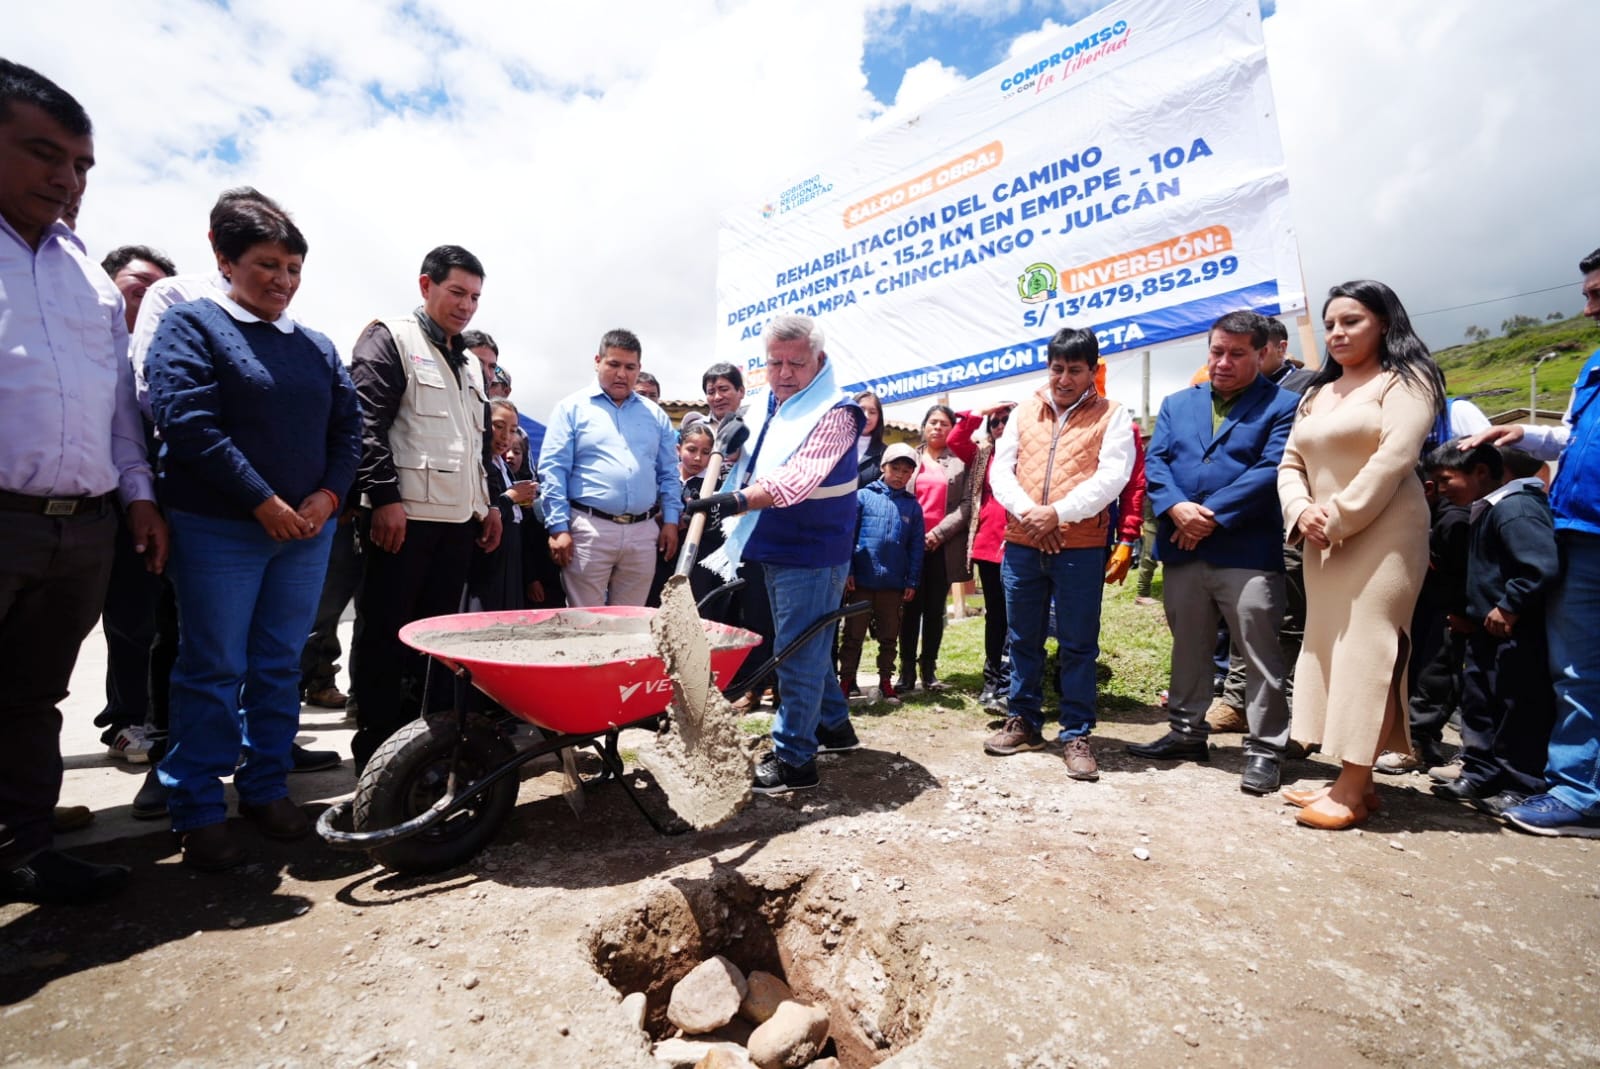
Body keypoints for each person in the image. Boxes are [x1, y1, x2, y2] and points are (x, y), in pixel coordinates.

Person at [145, 195, 360, 870]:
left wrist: (328, 496)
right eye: (268, 264)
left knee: (278, 663)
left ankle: (266, 786)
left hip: (306, 534)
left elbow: (348, 431)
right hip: (219, 529)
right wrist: (260, 499)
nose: (283, 279)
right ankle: (197, 806)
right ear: (225, 258)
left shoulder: (317, 346)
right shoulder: (190, 324)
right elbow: (186, 420)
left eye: (293, 268)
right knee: (213, 665)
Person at [0, 60, 166, 904]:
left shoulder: (87, 278)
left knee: (32, 697)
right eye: (43, 154)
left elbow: (116, 404)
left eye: (81, 164)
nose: (67, 179)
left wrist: (136, 494)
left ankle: (23, 850)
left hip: (82, 523)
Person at [1277, 280, 1444, 830]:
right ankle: (1357, 782)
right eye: (1330, 324)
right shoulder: (1316, 392)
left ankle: (1350, 787)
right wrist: (1301, 512)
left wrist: (1338, 516)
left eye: (1351, 321)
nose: (1337, 333)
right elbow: (1290, 464)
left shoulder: (1408, 380)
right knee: (1331, 648)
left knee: (1369, 651)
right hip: (1321, 540)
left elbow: (1395, 457)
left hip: (1384, 535)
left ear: (1384, 323)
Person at [687, 314, 866, 793]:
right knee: (806, 641)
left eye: (796, 363)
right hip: (769, 542)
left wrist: (735, 500)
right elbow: (756, 454)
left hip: (811, 551)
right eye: (775, 362)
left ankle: (794, 760)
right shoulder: (768, 404)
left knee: (797, 652)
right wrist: (729, 443)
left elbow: (799, 477)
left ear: (819, 361)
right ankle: (833, 728)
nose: (784, 373)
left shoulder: (837, 413)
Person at [1131, 311, 1299, 794]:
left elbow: (1271, 468)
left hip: (1247, 550)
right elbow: (1157, 463)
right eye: (1216, 351)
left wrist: (1209, 516)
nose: (1223, 362)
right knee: (1189, 645)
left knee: (1259, 650)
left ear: (1262, 354)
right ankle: (1186, 733)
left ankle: (1265, 748)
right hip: (1183, 549)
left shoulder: (1285, 405)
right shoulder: (1177, 403)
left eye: (1236, 354)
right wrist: (1176, 508)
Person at [349, 245, 501, 773]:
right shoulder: (390, 338)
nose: (466, 306)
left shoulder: (471, 362)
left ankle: (426, 753)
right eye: (457, 292)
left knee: (434, 643)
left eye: (475, 297)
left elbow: (479, 443)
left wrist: (489, 504)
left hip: (457, 524)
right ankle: (376, 758)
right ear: (426, 285)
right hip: (403, 522)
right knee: (385, 639)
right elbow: (365, 426)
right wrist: (384, 499)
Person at [1467, 247, 1600, 838]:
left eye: (1598, 294)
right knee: (1577, 671)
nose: (1588, 308)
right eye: (1587, 295)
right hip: (1581, 532)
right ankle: (1579, 792)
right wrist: (1528, 434)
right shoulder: (1592, 366)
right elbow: (1573, 438)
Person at [983, 328, 1134, 781]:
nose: (1064, 379)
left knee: (1078, 643)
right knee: (1022, 638)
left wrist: (1058, 514)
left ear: (1092, 370)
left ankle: (1076, 733)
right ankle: (1024, 721)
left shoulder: (1113, 414)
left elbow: (1113, 477)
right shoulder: (1024, 411)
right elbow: (1001, 471)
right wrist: (1033, 514)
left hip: (1080, 548)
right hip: (1024, 541)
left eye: (1074, 370)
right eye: (1057, 369)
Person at [1424, 441, 1557, 817]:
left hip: (1514, 633)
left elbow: (1540, 566)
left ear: (1481, 472)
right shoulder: (1487, 507)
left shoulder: (1516, 509)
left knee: (1517, 708)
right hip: (1485, 629)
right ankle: (1481, 772)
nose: (1441, 489)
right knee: (1480, 701)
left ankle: (1520, 784)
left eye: (1446, 479)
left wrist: (1510, 606)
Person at [94, 244, 176, 763]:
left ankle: (138, 720)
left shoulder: (164, 357)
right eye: (138, 286)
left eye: (159, 291)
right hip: (85, 501)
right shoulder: (88, 349)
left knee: (144, 618)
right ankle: (126, 719)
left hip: (149, 506)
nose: (149, 298)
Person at [539, 329, 681, 607]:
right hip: (589, 529)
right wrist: (558, 527)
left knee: (631, 621)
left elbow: (669, 473)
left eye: (630, 367)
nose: (622, 374)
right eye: (614, 364)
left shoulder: (655, 415)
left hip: (643, 532)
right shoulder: (571, 409)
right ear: (597, 361)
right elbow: (553, 470)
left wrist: (672, 521)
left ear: (639, 368)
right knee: (586, 621)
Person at [839, 442, 924, 706]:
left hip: (893, 584)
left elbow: (916, 547)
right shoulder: (863, 497)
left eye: (906, 471)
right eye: (895, 468)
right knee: (853, 636)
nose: (900, 475)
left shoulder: (913, 507)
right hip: (862, 582)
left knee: (889, 637)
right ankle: (845, 682)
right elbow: (848, 537)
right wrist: (849, 570)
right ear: (883, 467)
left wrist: (912, 580)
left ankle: (886, 682)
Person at [897, 404, 970, 692]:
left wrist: (938, 533)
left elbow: (967, 504)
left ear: (952, 429)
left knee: (934, 610)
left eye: (944, 423)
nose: (937, 427)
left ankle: (928, 670)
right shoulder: (909, 458)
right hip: (909, 547)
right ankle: (905, 671)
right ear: (924, 426)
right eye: (933, 422)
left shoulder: (960, 462)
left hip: (943, 546)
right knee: (909, 609)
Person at [949, 402, 1016, 710]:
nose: (999, 426)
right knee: (996, 615)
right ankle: (992, 683)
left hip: (1021, 544)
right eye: (994, 422)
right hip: (988, 545)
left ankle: (1011, 683)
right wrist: (982, 411)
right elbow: (956, 439)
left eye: (1006, 420)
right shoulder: (983, 455)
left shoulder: (1032, 454)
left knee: (1018, 617)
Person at [467, 398, 532, 612]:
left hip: (509, 555)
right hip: (487, 558)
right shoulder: (478, 464)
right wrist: (510, 497)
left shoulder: (502, 467)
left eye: (512, 430)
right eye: (499, 426)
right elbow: (481, 510)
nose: (505, 436)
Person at [855, 390, 887, 486]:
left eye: (872, 412)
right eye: (861, 410)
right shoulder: (834, 445)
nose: (866, 416)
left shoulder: (884, 453)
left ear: (879, 418)